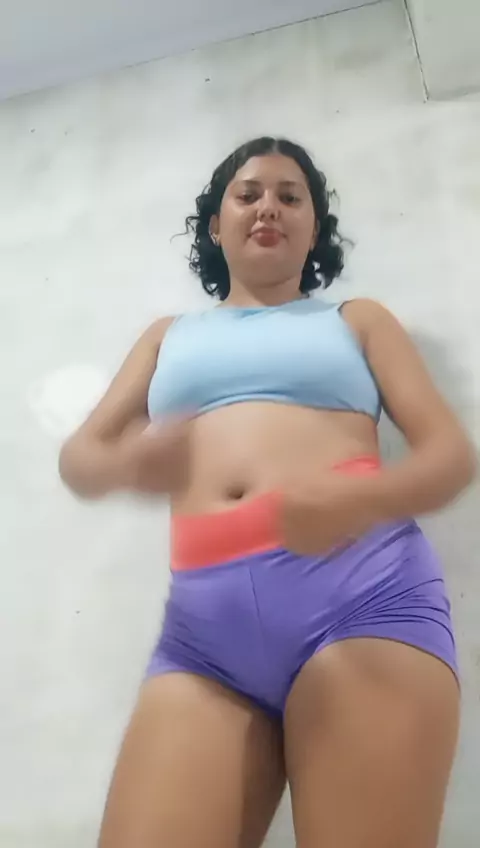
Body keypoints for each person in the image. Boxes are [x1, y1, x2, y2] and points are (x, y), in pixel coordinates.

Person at [59, 137, 475, 848]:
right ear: (215, 226)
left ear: (314, 230)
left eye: (290, 196)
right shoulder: (167, 336)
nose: (268, 208)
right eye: (248, 194)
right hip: (203, 632)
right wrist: (129, 465)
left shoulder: (357, 320)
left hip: (363, 595)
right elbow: (80, 459)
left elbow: (451, 457)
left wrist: (361, 502)